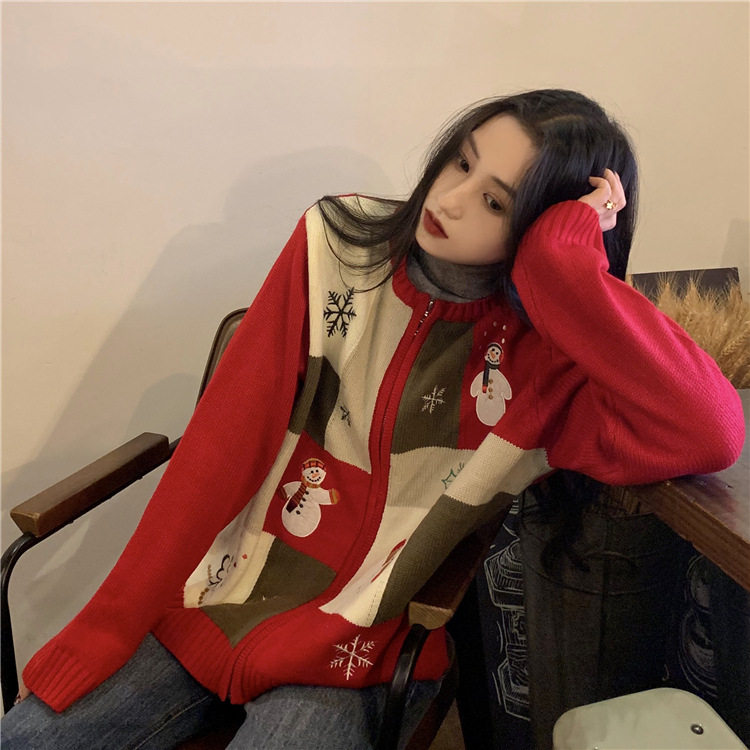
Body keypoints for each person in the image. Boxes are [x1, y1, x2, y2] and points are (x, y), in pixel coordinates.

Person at [2, 89, 744, 749]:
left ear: (546, 229)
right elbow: (218, 450)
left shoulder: (546, 368)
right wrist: (104, 628)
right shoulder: (334, 243)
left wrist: (566, 271)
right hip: (218, 598)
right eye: (461, 162)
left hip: (355, 650)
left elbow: (708, 431)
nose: (450, 199)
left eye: (497, 204)